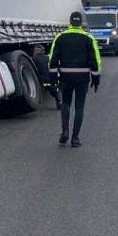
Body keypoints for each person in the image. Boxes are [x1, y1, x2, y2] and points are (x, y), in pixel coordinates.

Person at [48, 11, 101, 147]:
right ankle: (75, 138)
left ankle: (64, 130)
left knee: (65, 104)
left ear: (70, 22)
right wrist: (95, 79)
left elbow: (52, 60)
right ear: (81, 22)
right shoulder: (89, 38)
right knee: (79, 106)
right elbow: (95, 61)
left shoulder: (60, 37)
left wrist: (53, 79)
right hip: (82, 78)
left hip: (65, 77)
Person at [32, 44, 61, 109]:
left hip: (43, 80)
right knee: (55, 89)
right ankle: (59, 101)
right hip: (52, 78)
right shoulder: (48, 58)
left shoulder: (34, 60)